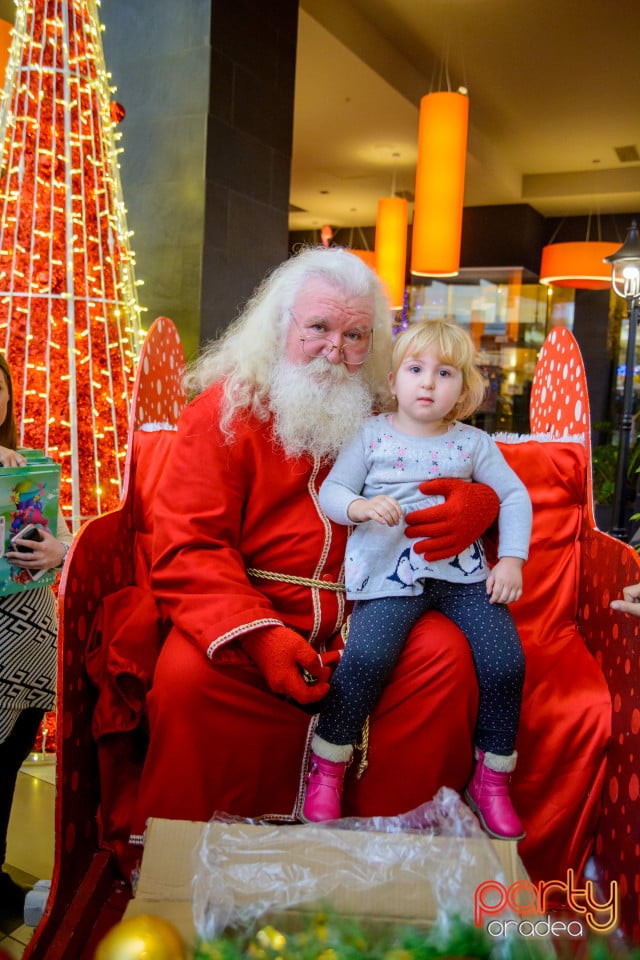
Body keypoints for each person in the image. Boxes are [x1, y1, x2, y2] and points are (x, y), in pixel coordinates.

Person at [129, 246, 501, 856]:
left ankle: (395, 861)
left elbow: (464, 464)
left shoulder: (393, 413)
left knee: (447, 659)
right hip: (251, 613)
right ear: (282, 328)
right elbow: (189, 545)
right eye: (320, 328)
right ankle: (191, 867)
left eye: (356, 335)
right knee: (185, 680)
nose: (336, 350)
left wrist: (478, 502)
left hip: (379, 611)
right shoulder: (222, 413)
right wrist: (261, 636)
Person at [303, 319, 532, 840]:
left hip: (463, 575)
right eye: (416, 369)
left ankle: (492, 779)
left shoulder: (473, 444)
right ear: (394, 378)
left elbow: (514, 497)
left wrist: (512, 559)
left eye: (444, 372)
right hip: (388, 570)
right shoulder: (372, 434)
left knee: (506, 661)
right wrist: (359, 506)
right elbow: (333, 490)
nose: (428, 382)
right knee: (367, 657)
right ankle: (329, 764)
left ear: (464, 388)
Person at [0, 353, 73, 921]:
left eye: (0, 387)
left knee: (9, 762)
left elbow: (59, 538)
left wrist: (59, 550)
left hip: (30, 639)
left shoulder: (27, 465)